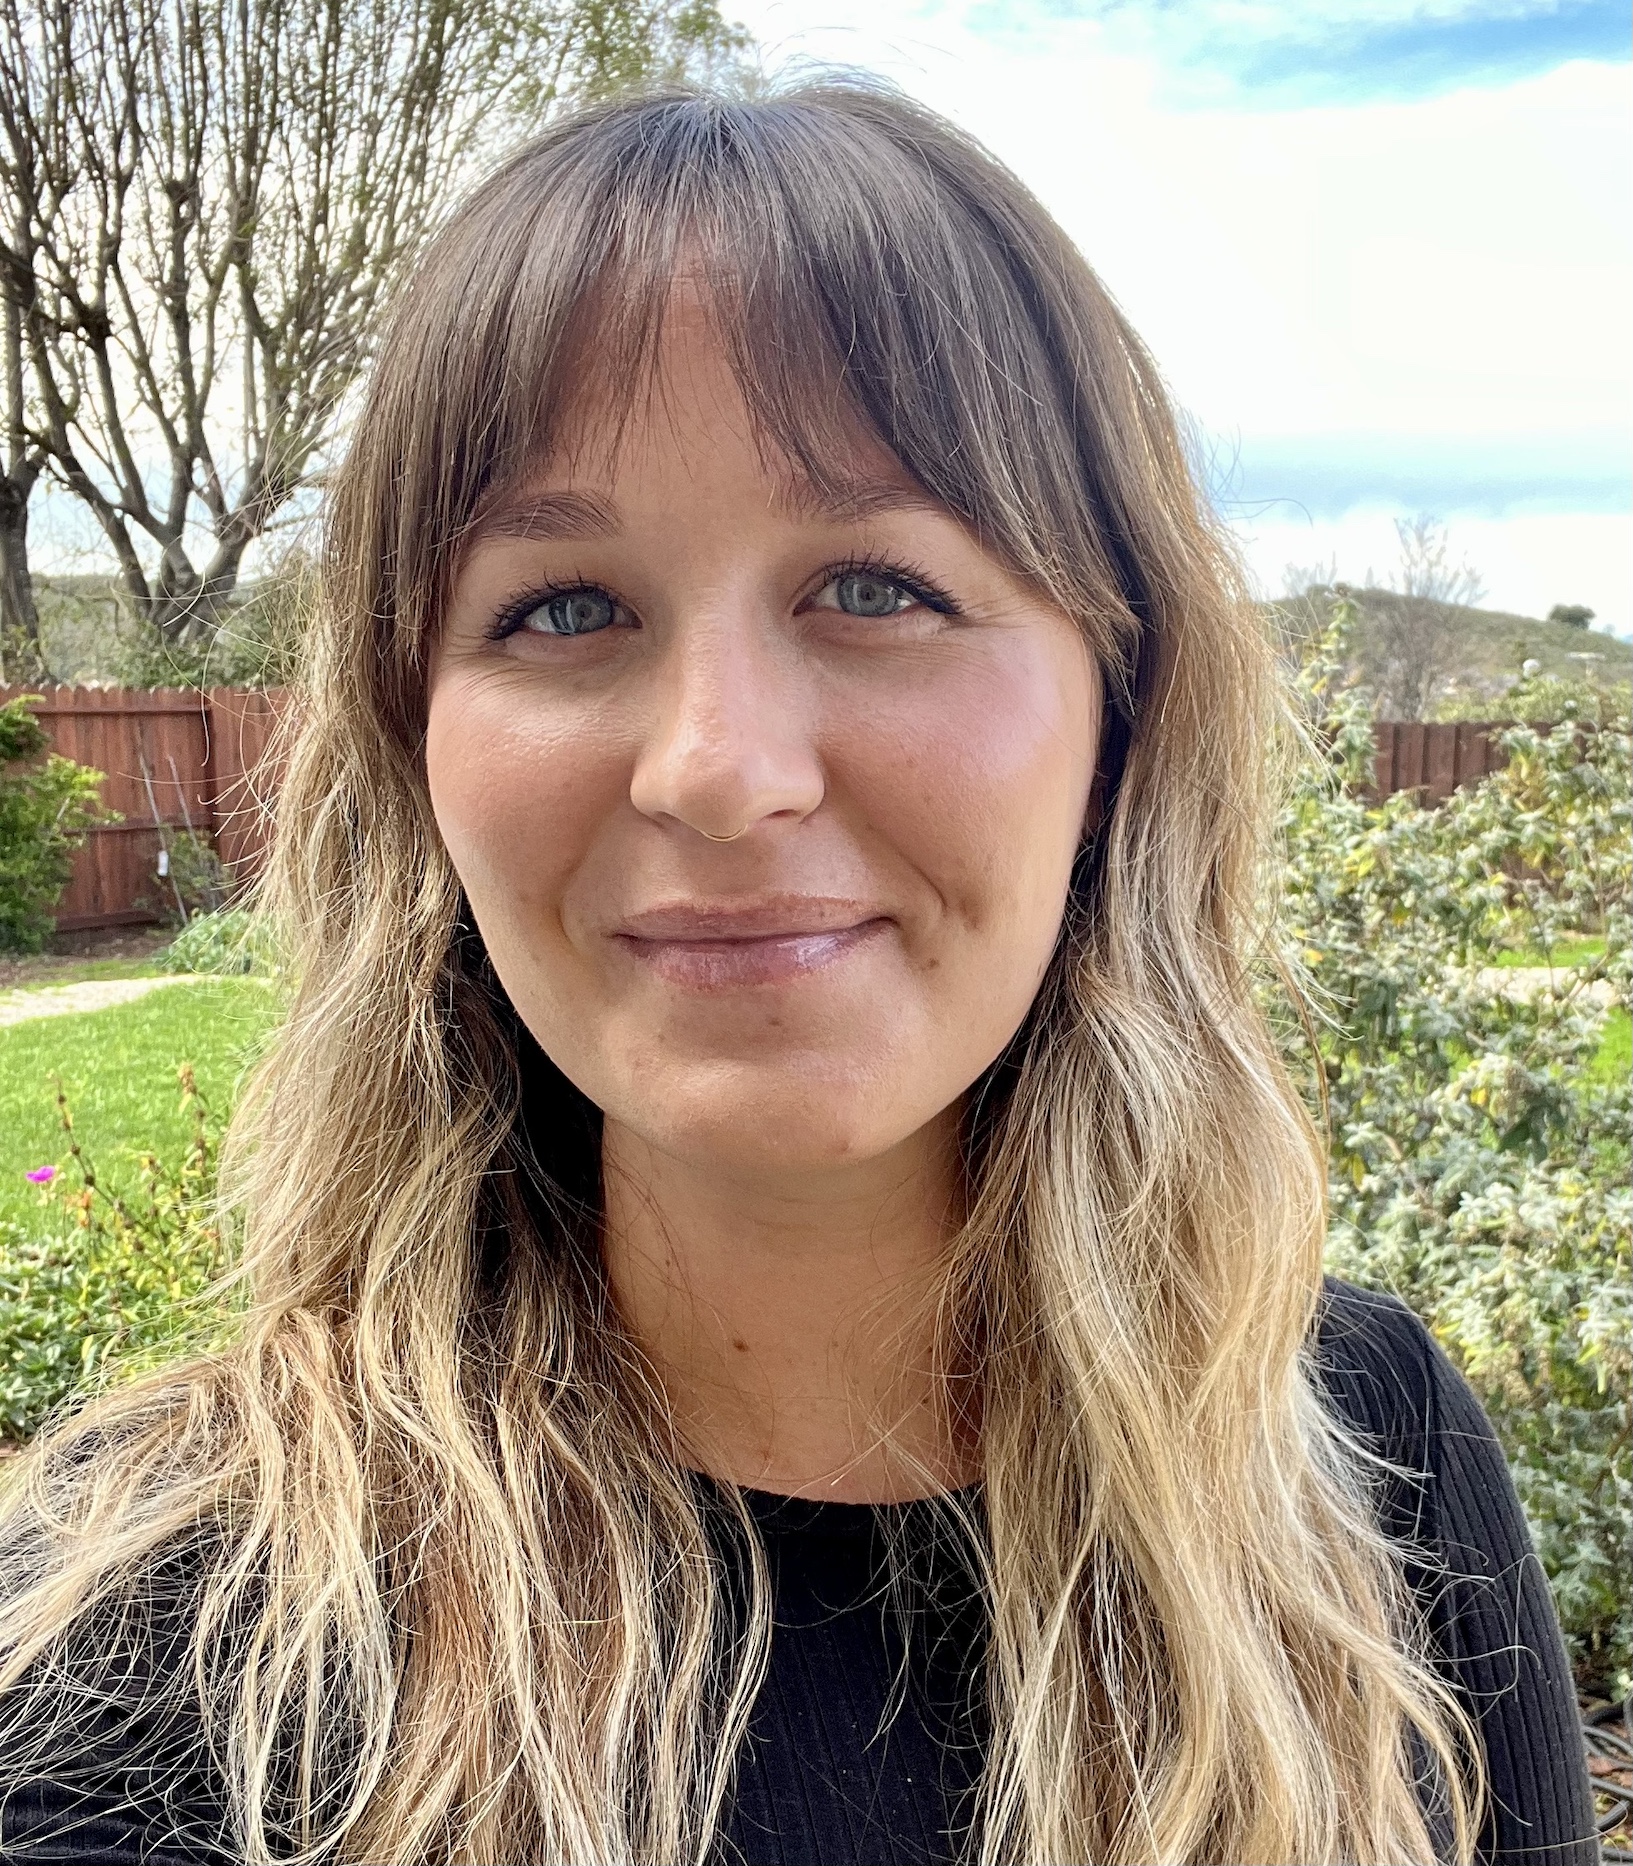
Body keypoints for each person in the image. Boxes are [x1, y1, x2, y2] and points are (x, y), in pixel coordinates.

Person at [0, 81, 1598, 1866]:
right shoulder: (153, 1646)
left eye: (871, 584)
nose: (716, 765)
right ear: (415, 750)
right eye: (562, 606)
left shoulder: (1367, 1460)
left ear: (1116, 716)